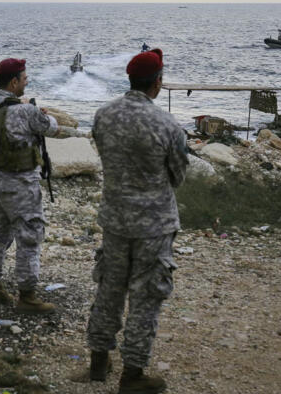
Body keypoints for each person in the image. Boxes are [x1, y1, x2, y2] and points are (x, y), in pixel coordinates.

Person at [86, 48, 188, 393]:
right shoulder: (168, 125)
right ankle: (132, 375)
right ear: (157, 83)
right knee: (145, 298)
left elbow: (104, 156)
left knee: (109, 289)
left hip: (114, 219)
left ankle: (98, 363)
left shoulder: (103, 115)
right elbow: (177, 176)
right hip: (153, 225)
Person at [0, 58, 59, 314]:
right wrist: (43, 114)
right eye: (24, 79)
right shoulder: (24, 111)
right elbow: (52, 128)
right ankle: (27, 295)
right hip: (22, 184)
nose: (27, 82)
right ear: (14, 82)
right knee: (29, 236)